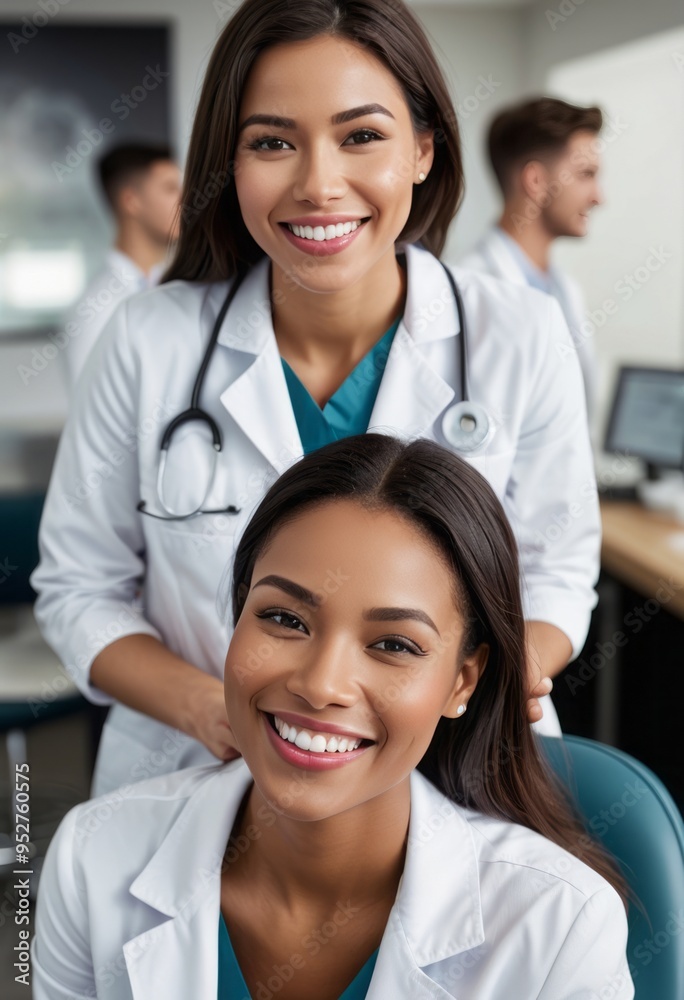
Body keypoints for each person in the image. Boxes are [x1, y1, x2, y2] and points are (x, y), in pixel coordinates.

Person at [31, 0, 601, 797]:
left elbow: (557, 572)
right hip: (196, 779)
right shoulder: (148, 339)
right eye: (271, 142)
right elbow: (78, 589)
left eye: (362, 135)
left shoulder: (520, 335)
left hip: (451, 777)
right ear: (228, 163)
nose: (318, 184)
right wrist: (215, 711)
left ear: (425, 149)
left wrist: (476, 684)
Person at [32, 435, 634, 1000]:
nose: (320, 685)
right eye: (285, 620)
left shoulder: (561, 927)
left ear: (461, 683)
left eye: (395, 645)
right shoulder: (92, 857)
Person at [460, 97, 604, 422]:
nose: (599, 196)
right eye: (586, 174)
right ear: (536, 181)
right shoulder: (469, 291)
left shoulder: (565, 290)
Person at [62, 143, 182, 386]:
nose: (187, 200)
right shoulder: (95, 310)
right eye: (171, 189)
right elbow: (94, 413)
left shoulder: (179, 285)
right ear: (131, 201)